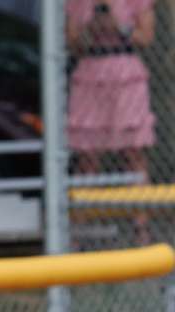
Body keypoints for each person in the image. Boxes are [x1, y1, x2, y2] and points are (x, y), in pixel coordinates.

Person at [68, 0, 157, 238]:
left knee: (135, 154)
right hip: (90, 74)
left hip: (126, 74)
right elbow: (73, 43)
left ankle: (141, 227)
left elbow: (146, 37)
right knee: (87, 158)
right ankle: (80, 228)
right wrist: (90, 31)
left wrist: (120, 27)